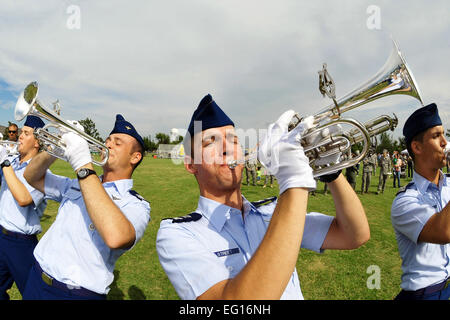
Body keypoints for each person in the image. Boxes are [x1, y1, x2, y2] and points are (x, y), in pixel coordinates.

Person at [156, 94, 369, 300]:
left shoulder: (274, 212)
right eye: (210, 142)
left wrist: (331, 172)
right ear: (191, 164)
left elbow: (353, 235)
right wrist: (294, 179)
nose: (226, 149)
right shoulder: (179, 233)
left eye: (233, 140)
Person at [22, 114, 150, 300]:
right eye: (108, 140)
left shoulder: (136, 204)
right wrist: (55, 147)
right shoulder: (77, 183)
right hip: (37, 278)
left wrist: (83, 165)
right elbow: (31, 176)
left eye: (117, 142)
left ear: (135, 157)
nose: (108, 144)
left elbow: (117, 237)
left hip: (75, 294)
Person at [391, 103, 450, 300]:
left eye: (444, 134)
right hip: (425, 295)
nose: (445, 142)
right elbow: (444, 231)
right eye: (436, 136)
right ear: (416, 147)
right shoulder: (405, 201)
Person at [0, 116, 47, 300]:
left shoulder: (42, 173)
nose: (19, 136)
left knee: (32, 294)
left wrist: (4, 162)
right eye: (21, 132)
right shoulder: (11, 162)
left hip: (21, 243)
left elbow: (23, 198)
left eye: (26, 133)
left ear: (37, 143)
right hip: (1, 235)